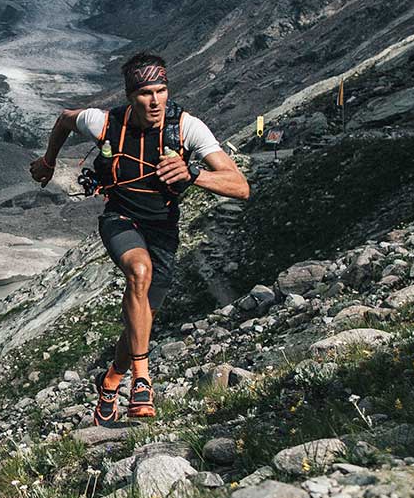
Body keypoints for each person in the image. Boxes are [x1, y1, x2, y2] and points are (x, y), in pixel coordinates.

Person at [29, 52, 252, 425]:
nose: (155, 101)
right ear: (130, 96)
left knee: (142, 319)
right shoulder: (104, 123)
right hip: (120, 218)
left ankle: (112, 378)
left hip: (163, 227)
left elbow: (240, 186)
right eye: (146, 93)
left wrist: (192, 174)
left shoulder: (186, 128)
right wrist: (48, 161)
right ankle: (142, 381)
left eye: (161, 91)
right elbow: (65, 118)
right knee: (139, 272)